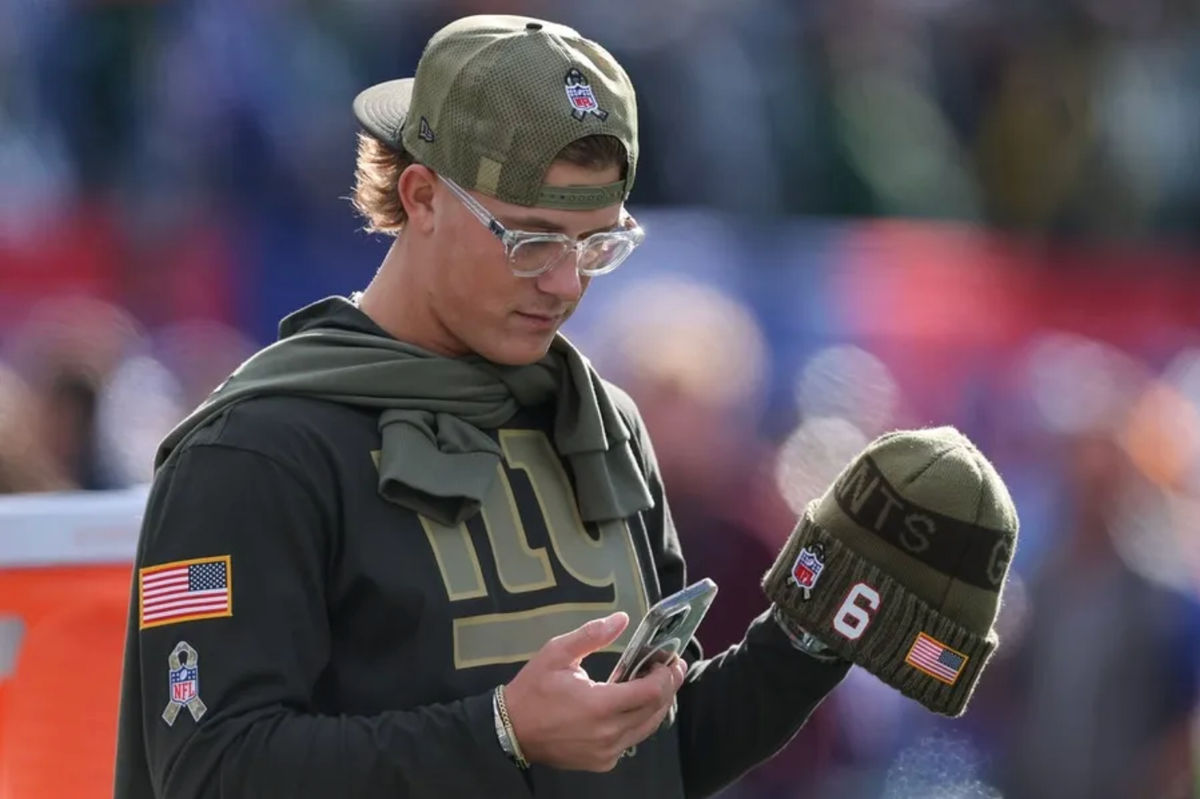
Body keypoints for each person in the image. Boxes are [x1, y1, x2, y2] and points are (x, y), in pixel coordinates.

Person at [114, 15, 852, 799]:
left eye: (598, 246)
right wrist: (501, 732)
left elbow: (652, 757)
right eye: (531, 241)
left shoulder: (600, 420)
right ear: (422, 197)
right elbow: (211, 769)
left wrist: (817, 625)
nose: (565, 283)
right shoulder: (252, 451)